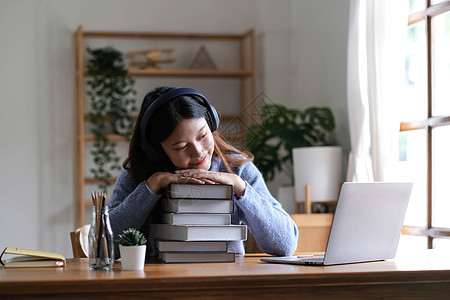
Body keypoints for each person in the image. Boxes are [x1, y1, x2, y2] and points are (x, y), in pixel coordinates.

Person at [108, 86, 298, 259]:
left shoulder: (238, 169)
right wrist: (152, 185)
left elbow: (285, 245)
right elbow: (104, 247)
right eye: (181, 147)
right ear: (157, 151)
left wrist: (241, 188)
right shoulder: (140, 174)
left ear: (211, 124)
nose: (198, 152)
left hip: (227, 282)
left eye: (203, 136)